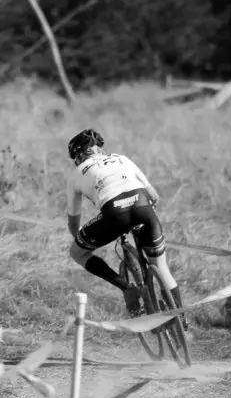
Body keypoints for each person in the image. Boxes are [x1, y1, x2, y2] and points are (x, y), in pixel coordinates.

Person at [64, 129, 188, 328]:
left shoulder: (76, 174)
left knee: (77, 253)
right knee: (162, 267)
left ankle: (127, 288)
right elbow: (154, 195)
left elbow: (73, 221)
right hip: (143, 208)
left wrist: (80, 239)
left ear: (79, 155)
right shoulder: (122, 159)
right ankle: (182, 323)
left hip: (114, 214)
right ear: (99, 149)